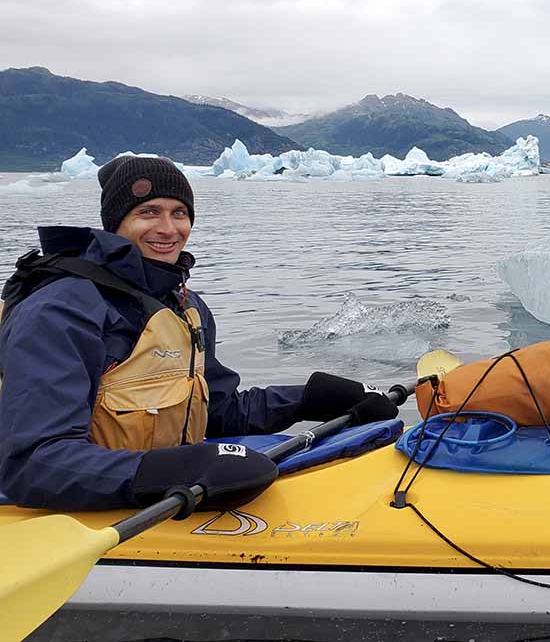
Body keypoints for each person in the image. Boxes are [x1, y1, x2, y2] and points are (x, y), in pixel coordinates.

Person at [0, 155, 399, 514]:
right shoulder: (61, 311)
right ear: (116, 222)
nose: (168, 228)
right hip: (75, 513)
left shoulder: (185, 305)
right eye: (149, 212)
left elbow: (221, 412)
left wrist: (312, 399)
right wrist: (171, 470)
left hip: (161, 493)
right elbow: (34, 463)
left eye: (179, 213)